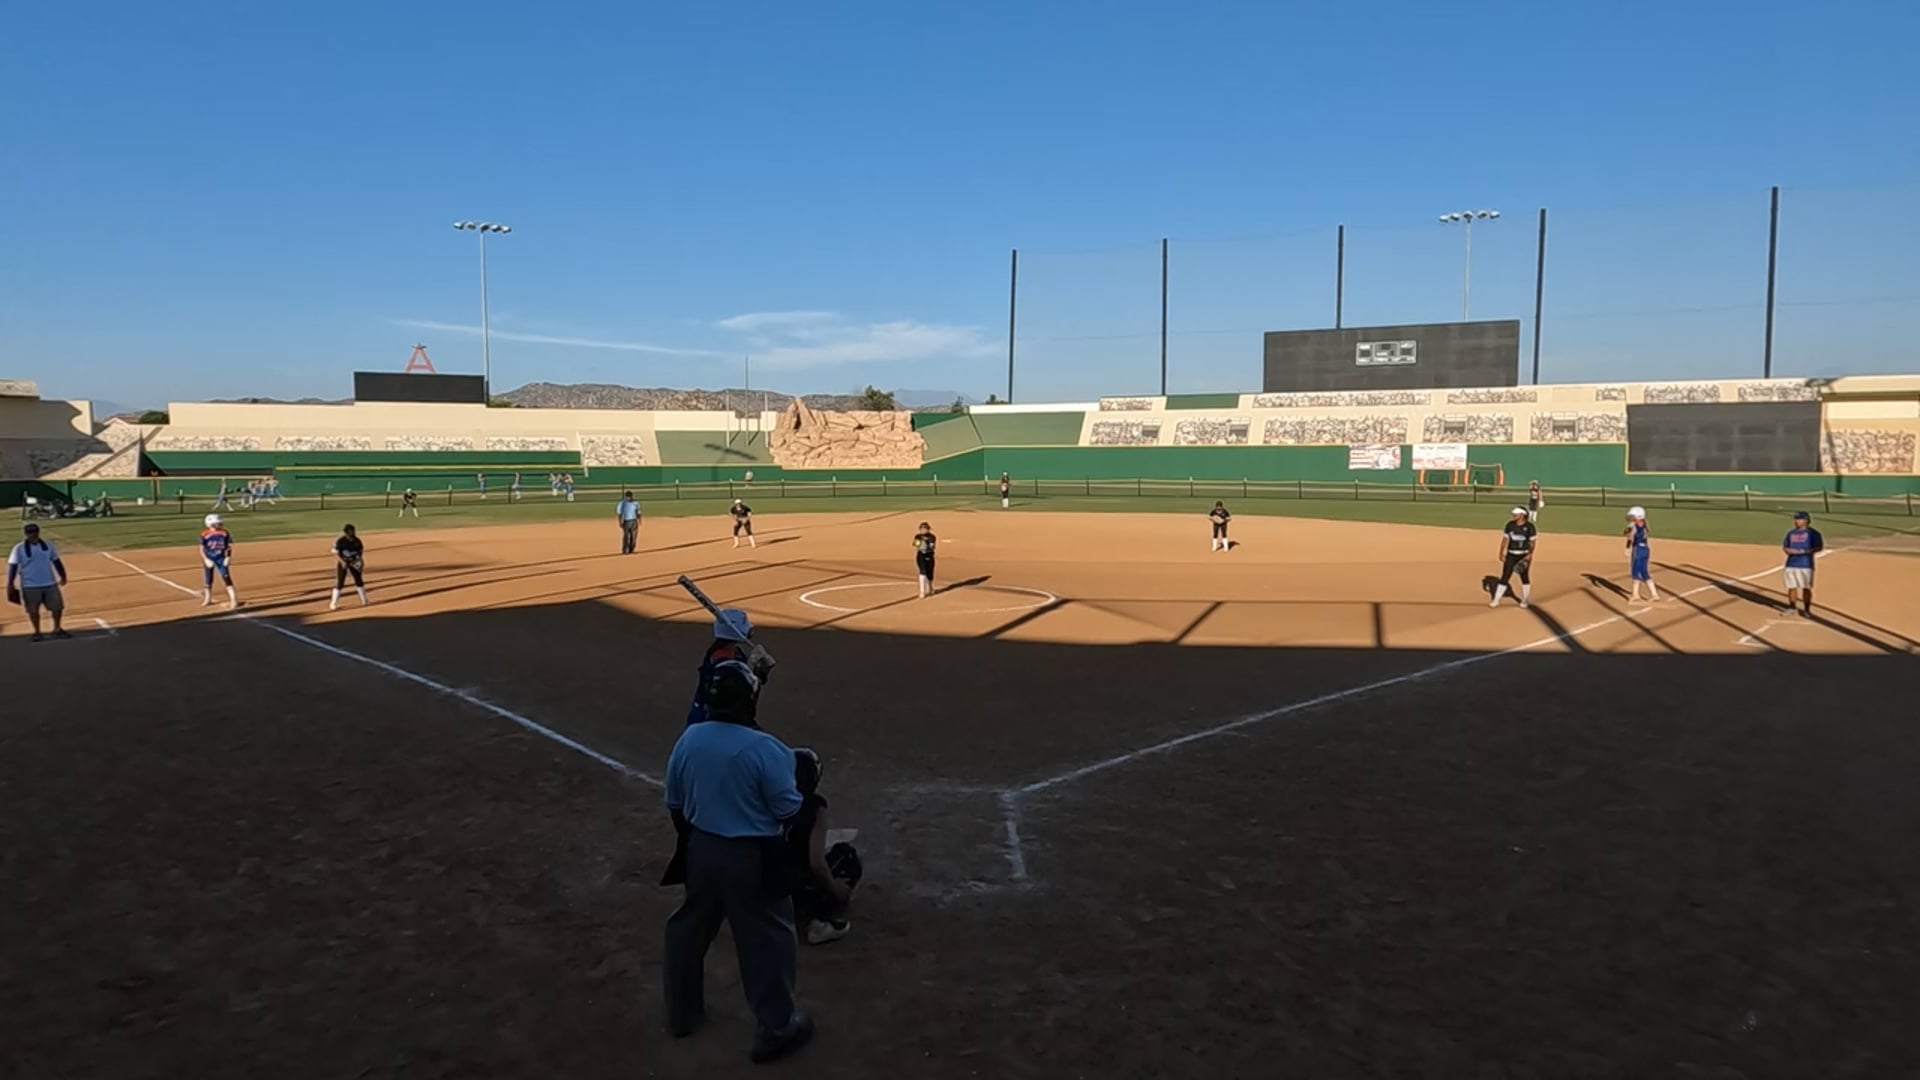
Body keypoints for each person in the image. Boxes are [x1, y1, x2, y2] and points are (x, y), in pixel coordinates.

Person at [661, 660, 816, 1063]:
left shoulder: (690, 738)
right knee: (767, 939)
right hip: (751, 857)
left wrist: (696, 840)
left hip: (700, 848)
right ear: (749, 700)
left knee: (687, 930)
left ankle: (681, 1014)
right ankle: (776, 1029)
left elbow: (675, 803)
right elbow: (789, 811)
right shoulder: (766, 749)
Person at [786, 747, 862, 945]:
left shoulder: (766, 798)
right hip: (792, 889)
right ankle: (822, 921)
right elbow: (817, 863)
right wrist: (836, 891)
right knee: (846, 857)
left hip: (759, 887)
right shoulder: (815, 807)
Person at [686, 608, 776, 726]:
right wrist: (754, 672)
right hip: (711, 721)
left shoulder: (735, 652)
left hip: (729, 717)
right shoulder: (723, 663)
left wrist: (759, 672)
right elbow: (741, 695)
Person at [7, 522, 70, 642]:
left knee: (57, 607)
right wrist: (10, 583)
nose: (33, 534)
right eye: (30, 532)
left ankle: (57, 628)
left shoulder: (48, 545)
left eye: (34, 532)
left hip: (49, 582)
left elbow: (56, 561)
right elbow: (13, 566)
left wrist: (63, 576)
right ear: (26, 534)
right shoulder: (19, 548)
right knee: (33, 610)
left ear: (38, 532)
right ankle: (37, 631)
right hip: (30, 585)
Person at [1490, 507, 1537, 609]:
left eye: (1516, 514)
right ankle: (1496, 600)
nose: (1514, 516)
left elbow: (1532, 543)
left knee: (1524, 577)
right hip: (1511, 554)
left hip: (1523, 555)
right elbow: (1505, 539)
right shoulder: (1510, 525)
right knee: (1505, 576)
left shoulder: (1529, 527)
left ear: (1522, 515)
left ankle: (1524, 600)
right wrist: (1501, 552)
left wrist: (1530, 554)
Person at [1782, 510, 1824, 617]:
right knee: (1791, 586)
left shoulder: (1813, 533)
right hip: (1791, 563)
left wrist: (1803, 552)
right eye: (1795, 519)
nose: (1796, 521)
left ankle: (1807, 610)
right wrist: (1788, 550)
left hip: (1806, 564)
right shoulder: (1791, 533)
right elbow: (1785, 546)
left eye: (1799, 519)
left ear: (1806, 520)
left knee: (1806, 587)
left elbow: (1819, 547)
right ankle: (1792, 607)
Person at [200, 513, 240, 609]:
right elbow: (201, 549)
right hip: (210, 557)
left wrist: (228, 557)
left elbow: (229, 546)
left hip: (221, 558)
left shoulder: (224, 533)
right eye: (216, 523)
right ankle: (208, 598)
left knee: (226, 577)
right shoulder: (204, 534)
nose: (219, 524)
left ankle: (234, 599)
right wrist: (206, 559)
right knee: (208, 578)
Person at [1624, 507, 1660, 602]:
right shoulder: (1645, 525)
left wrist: (1627, 548)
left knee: (1635, 571)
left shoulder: (1634, 526)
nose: (1632, 518)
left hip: (1638, 550)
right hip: (1646, 549)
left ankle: (1635, 594)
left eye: (1633, 516)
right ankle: (1654, 594)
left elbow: (1630, 537)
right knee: (1644, 572)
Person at [331, 524, 369, 610]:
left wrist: (360, 562)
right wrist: (342, 562)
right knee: (340, 582)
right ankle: (333, 603)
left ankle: (364, 600)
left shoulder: (357, 541)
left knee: (359, 580)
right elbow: (335, 553)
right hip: (343, 562)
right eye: (350, 531)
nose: (352, 533)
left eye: (353, 531)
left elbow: (360, 552)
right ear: (346, 532)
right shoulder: (341, 541)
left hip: (354, 562)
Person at [912, 521, 937, 598]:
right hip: (921, 555)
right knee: (922, 572)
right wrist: (918, 542)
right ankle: (922, 591)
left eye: (925, 529)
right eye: (922, 529)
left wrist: (927, 542)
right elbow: (915, 544)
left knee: (930, 573)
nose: (923, 530)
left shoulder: (932, 537)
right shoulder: (917, 537)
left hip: (929, 555)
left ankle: (930, 587)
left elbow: (932, 546)